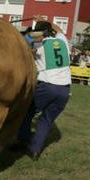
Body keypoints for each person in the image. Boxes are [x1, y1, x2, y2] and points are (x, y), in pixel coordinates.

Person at [13, 19, 72, 160]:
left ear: (40, 33)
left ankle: (22, 141)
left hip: (47, 86)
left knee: (27, 112)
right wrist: (45, 21)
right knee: (46, 120)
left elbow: (25, 43)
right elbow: (58, 29)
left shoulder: (39, 47)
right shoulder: (63, 41)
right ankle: (35, 150)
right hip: (65, 90)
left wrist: (31, 34)